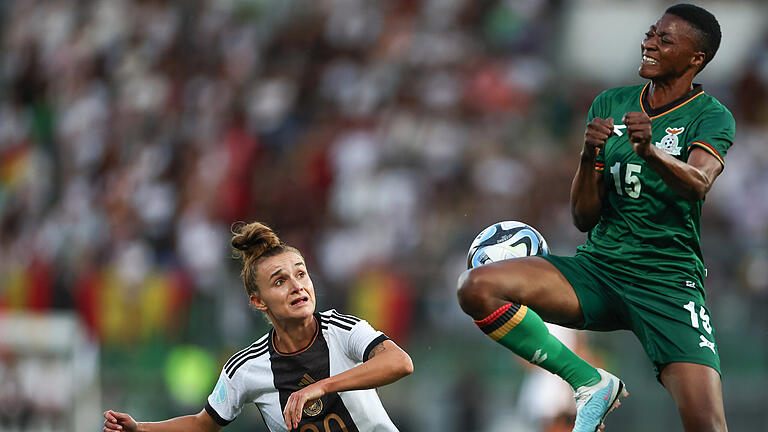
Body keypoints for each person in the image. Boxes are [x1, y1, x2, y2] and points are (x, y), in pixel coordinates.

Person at [457, 4, 732, 432]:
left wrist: (651, 153)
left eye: (665, 39)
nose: (649, 43)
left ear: (696, 58)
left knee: (707, 425)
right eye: (650, 33)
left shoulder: (711, 115)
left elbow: (698, 182)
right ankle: (590, 381)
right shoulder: (611, 103)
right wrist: (589, 157)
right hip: (599, 270)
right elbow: (583, 217)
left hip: (666, 283)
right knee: (477, 287)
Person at [103, 221, 413, 432]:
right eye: (280, 281)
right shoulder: (246, 368)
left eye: (301, 274)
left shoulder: (341, 329)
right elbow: (203, 424)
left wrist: (320, 386)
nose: (297, 286)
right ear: (258, 301)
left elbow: (400, 362)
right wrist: (140, 428)